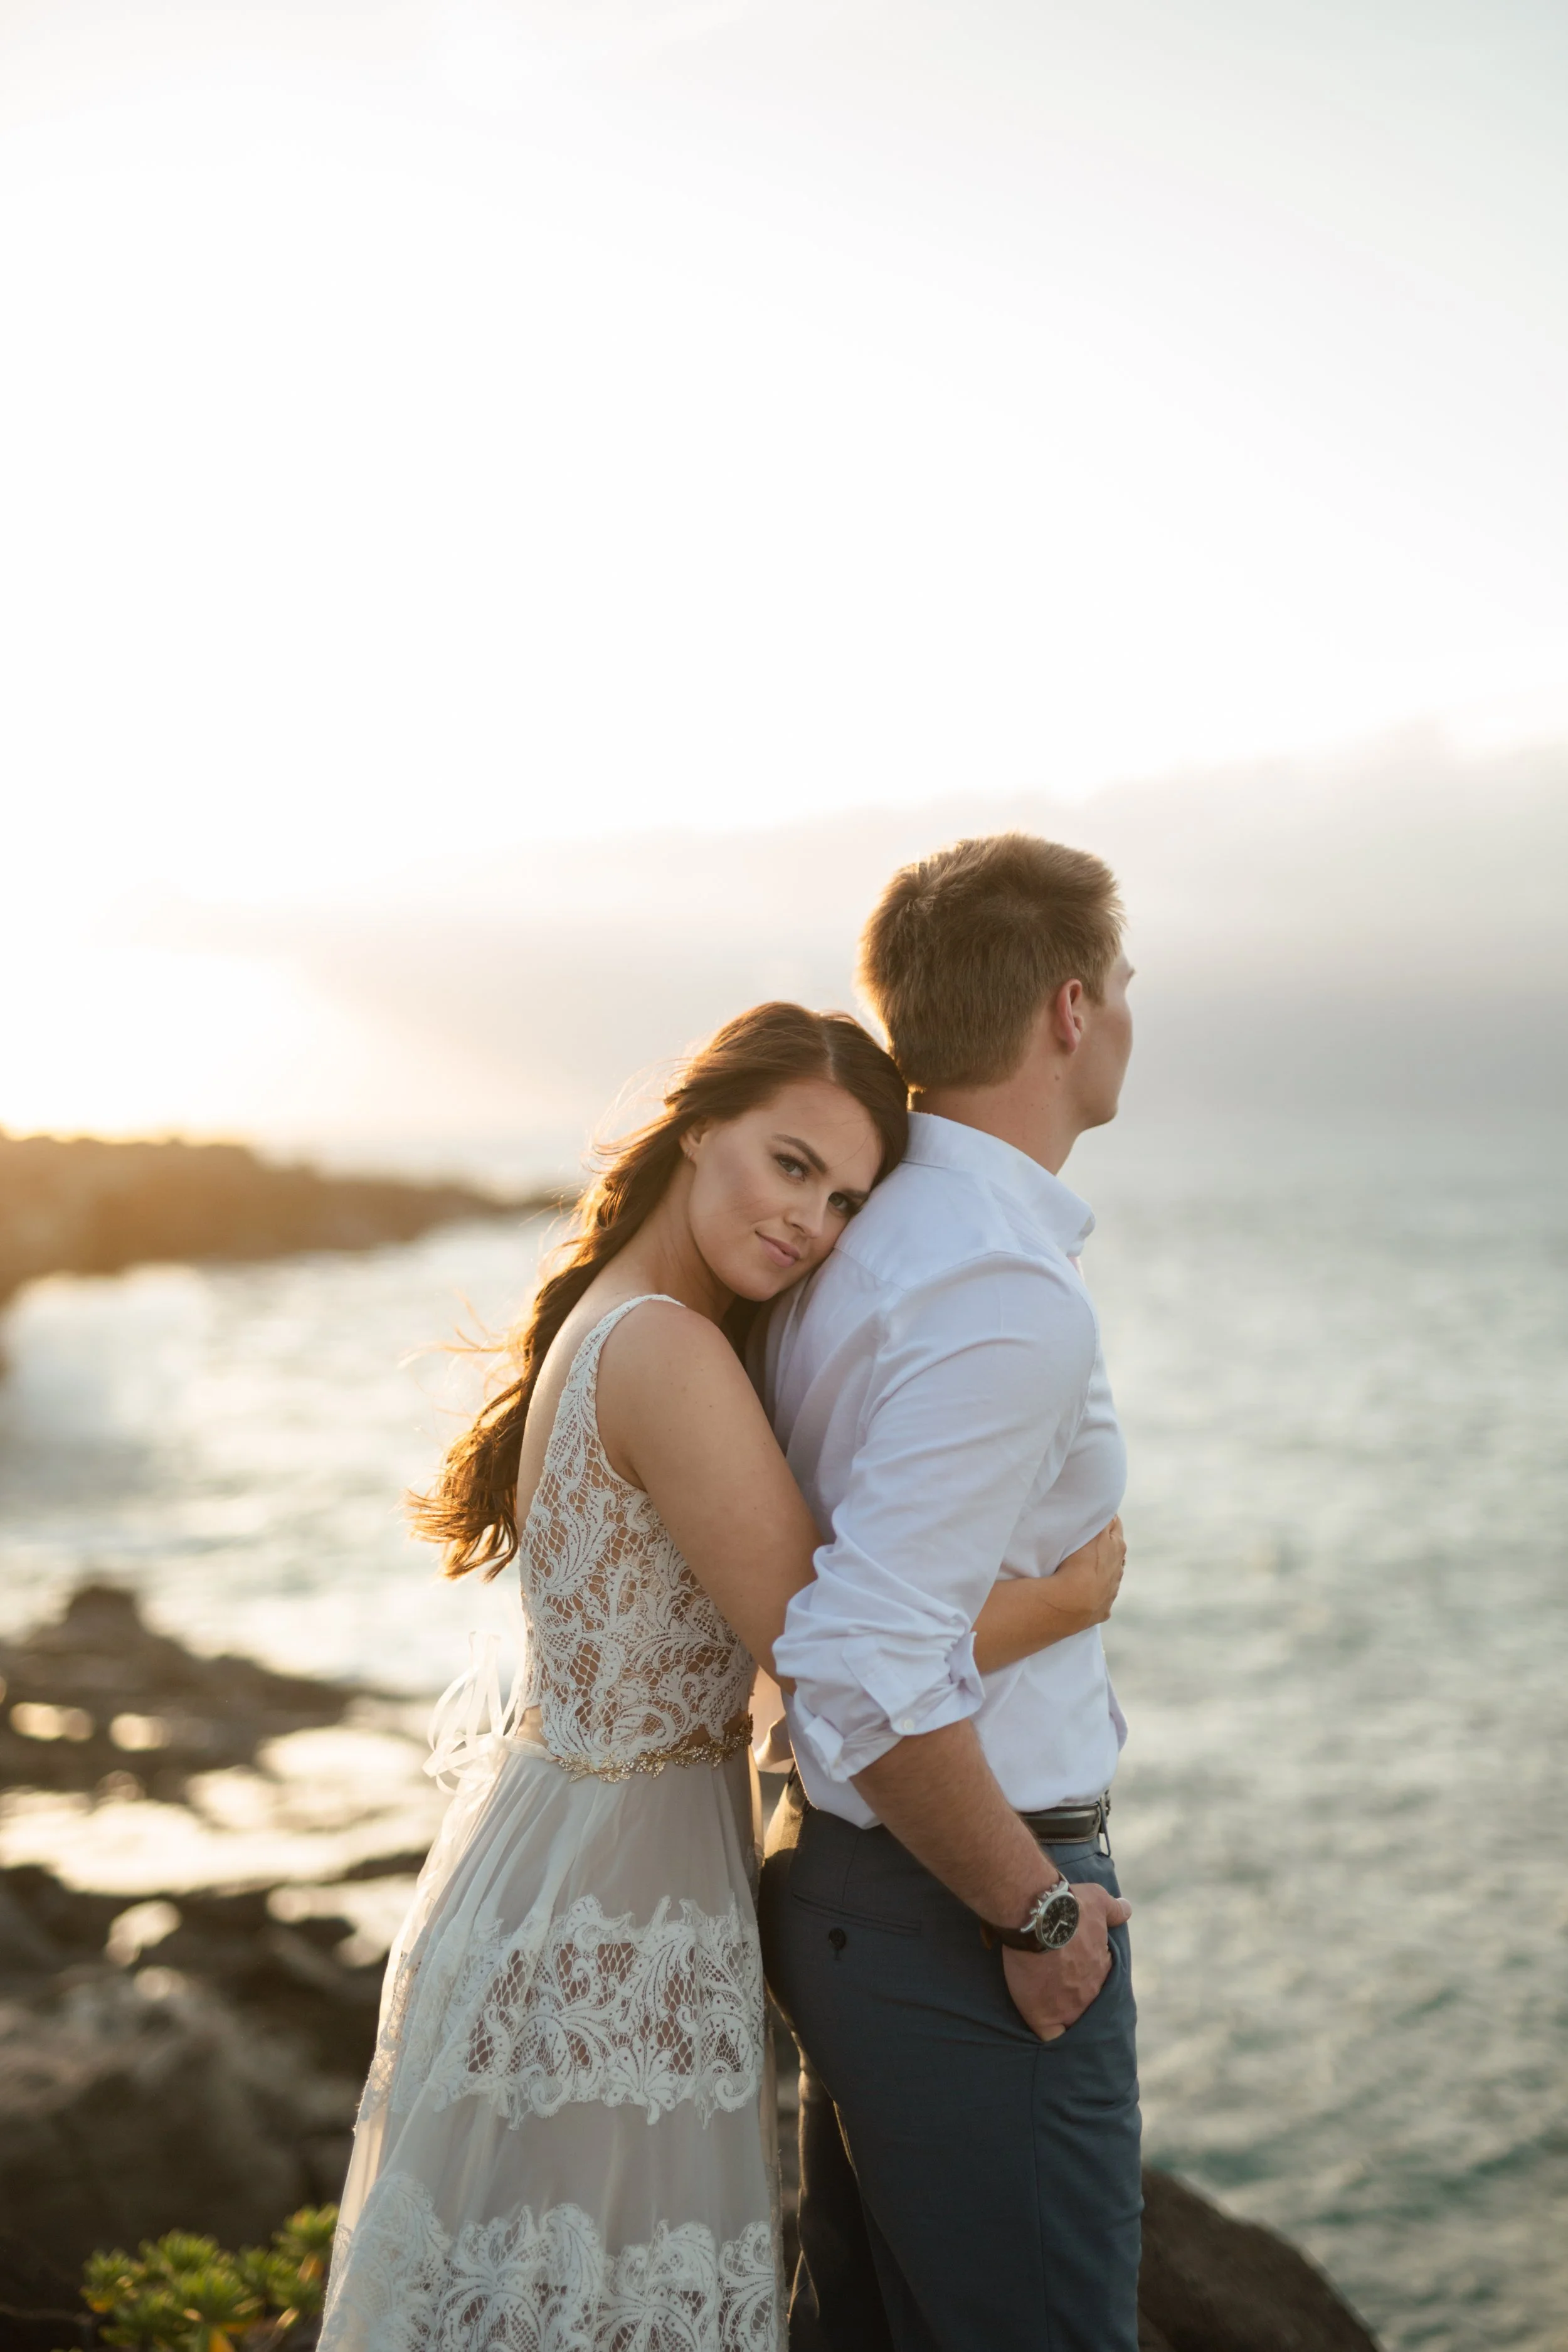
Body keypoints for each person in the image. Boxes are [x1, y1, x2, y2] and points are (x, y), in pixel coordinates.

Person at [318, 999, 1126, 2352]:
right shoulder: (669, 1351)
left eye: (847, 1200)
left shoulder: (610, 1318)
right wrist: (1059, 1601)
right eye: (789, 1164)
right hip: (618, 1895)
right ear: (696, 1129)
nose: (809, 1222)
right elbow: (825, 1655)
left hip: (571, 1851)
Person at [756, 835, 1140, 2352]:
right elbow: (858, 1655)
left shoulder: (857, 1244)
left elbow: (818, 1612)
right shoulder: (994, 1283)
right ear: (1065, 1008)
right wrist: (1035, 1913)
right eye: (1120, 987)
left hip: (858, 1888)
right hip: (957, 1911)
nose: (1123, 1017)